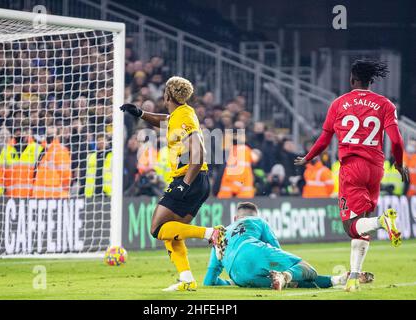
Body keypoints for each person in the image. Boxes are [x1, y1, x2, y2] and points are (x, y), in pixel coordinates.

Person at [294, 59, 409, 292]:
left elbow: (325, 139)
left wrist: (309, 157)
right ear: (370, 81)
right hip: (376, 168)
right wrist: (398, 163)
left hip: (352, 167)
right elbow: (396, 141)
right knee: (362, 225)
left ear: (352, 79)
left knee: (351, 226)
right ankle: (354, 278)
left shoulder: (339, 103)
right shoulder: (385, 104)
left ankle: (382, 222)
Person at [120, 76, 225, 292]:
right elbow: (166, 120)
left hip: (189, 178)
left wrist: (184, 184)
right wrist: (140, 113)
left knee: (157, 228)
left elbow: (199, 154)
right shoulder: (182, 113)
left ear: (167, 94)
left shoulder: (183, 117)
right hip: (197, 180)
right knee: (171, 231)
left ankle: (211, 234)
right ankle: (186, 278)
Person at [203, 202, 374, 290]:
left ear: (235, 219)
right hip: (253, 251)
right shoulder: (258, 221)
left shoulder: (221, 234)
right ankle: (285, 276)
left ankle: (338, 279)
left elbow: (208, 282)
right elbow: (277, 248)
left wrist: (231, 283)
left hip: (238, 276)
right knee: (304, 270)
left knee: (291, 283)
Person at [0, 125, 43, 198]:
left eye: (24, 131)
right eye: (18, 131)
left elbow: (43, 174)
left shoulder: (37, 149)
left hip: (31, 197)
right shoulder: (7, 150)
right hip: (11, 197)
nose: (21, 134)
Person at [32, 126, 72, 198]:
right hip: (40, 196)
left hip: (54, 197)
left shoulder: (60, 150)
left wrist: (63, 194)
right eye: (48, 133)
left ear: (58, 135)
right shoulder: (43, 150)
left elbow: (66, 176)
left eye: (52, 134)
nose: (49, 136)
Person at [85, 134, 112, 198]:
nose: (100, 142)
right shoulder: (91, 156)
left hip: (107, 193)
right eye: (99, 140)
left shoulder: (112, 155)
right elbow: (86, 174)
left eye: (102, 140)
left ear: (107, 142)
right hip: (92, 193)